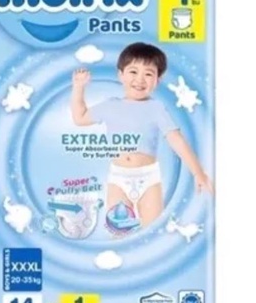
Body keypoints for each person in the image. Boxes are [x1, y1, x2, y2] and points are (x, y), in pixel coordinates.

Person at [71, 42, 213, 228]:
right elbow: (80, 118)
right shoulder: (110, 105)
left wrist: (198, 173)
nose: (140, 79)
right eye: (133, 71)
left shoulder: (156, 108)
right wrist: (79, 87)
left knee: (152, 229)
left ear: (157, 80)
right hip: (118, 178)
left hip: (148, 179)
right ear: (120, 75)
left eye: (148, 74)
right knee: (117, 230)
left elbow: (176, 139)